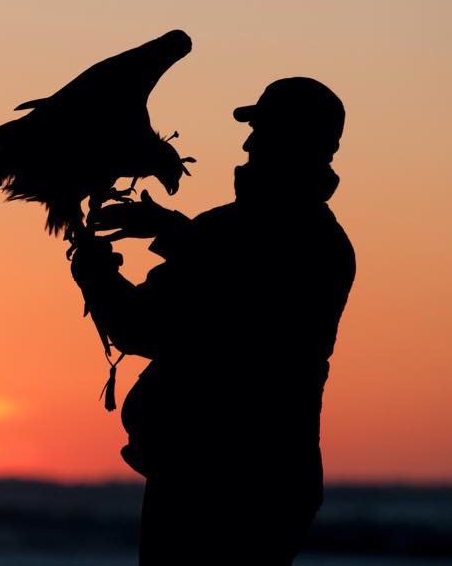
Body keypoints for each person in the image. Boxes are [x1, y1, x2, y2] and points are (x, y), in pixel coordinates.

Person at [69, 77, 356, 564]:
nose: (246, 144)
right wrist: (174, 230)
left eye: (260, 131)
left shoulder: (239, 235)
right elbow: (250, 272)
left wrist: (95, 276)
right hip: (278, 485)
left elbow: (147, 326)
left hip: (205, 483)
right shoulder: (327, 243)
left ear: (290, 142)